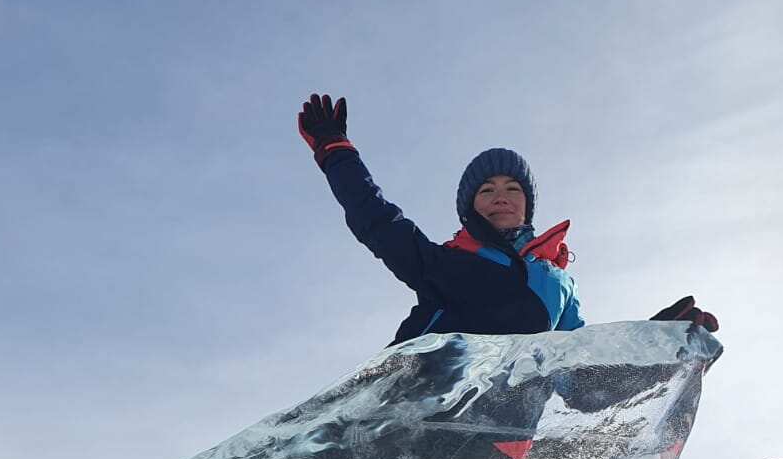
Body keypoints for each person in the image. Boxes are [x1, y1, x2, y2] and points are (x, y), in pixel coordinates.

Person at [297, 93, 719, 344]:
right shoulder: (445, 262)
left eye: (512, 188)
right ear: (471, 208)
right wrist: (336, 151)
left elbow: (581, 376)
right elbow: (375, 217)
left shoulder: (558, 286)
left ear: (526, 204)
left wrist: (655, 344)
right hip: (413, 410)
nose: (500, 196)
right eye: (486, 190)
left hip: (495, 446)